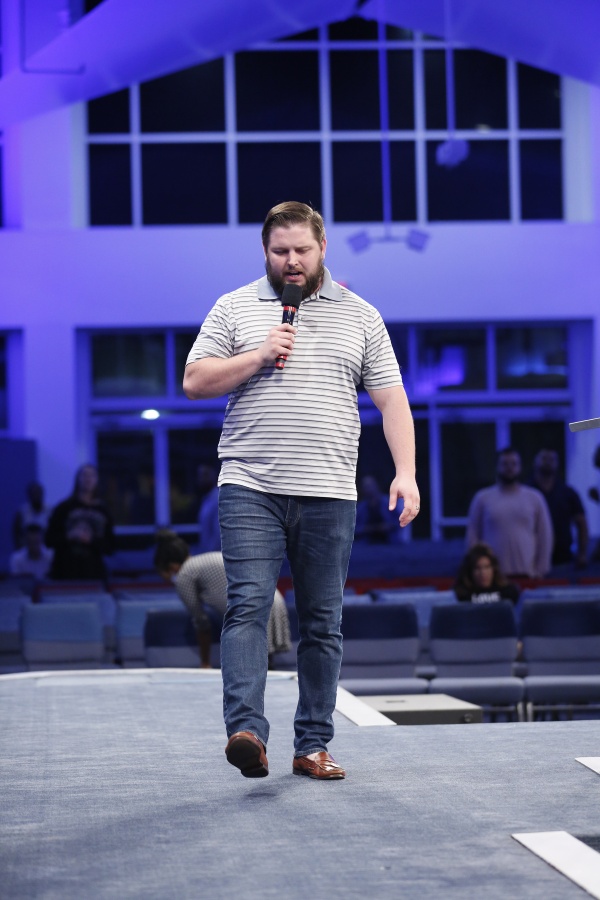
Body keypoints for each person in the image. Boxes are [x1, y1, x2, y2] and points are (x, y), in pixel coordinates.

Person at [183, 201, 420, 780]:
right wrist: (259, 354)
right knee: (247, 605)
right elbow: (194, 381)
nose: (291, 261)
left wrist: (406, 472)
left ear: (322, 249)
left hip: (329, 489)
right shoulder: (234, 307)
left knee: (322, 621)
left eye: (302, 250)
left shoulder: (361, 315)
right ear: (265, 251)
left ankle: (312, 745)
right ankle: (246, 733)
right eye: (280, 251)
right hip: (250, 485)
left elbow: (392, 400)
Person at [154, 530, 291, 668]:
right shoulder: (205, 559)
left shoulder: (184, 575)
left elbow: (201, 622)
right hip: (274, 598)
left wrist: (205, 664)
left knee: (252, 669)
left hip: (253, 607)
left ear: (170, 567)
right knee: (263, 666)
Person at [466, 447, 553, 580]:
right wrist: (476, 569)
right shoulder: (482, 498)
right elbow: (472, 536)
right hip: (492, 577)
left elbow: (545, 536)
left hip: (528, 573)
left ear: (520, 467)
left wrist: (541, 569)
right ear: (497, 466)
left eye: (513, 464)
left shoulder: (534, 498)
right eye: (505, 464)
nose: (509, 468)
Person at [45, 464, 114, 581]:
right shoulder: (63, 508)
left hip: (94, 573)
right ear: (78, 479)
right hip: (65, 572)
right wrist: (70, 536)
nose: (88, 479)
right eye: (85, 475)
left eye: (92, 476)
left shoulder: (103, 510)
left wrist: (91, 540)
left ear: (97, 480)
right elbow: (48, 540)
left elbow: (111, 546)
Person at [530, 448, 588, 568]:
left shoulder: (568, 493)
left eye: (552, 459)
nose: (548, 462)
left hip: (563, 557)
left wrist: (582, 553)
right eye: (544, 458)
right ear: (535, 462)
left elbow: (581, 523)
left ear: (558, 463)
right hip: (531, 558)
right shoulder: (526, 492)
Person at [454, 542, 520, 605]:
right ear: (470, 571)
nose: (483, 573)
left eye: (487, 567)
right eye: (477, 568)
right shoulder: (460, 595)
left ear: (494, 569)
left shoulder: (508, 592)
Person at [354, 474, 399, 544]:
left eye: (370, 485)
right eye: (365, 486)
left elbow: (398, 522)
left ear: (376, 485)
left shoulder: (388, 503)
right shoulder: (360, 507)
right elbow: (355, 529)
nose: (368, 489)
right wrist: (370, 529)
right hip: (366, 543)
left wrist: (387, 526)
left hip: (389, 542)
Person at [12, 481, 50, 549]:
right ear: (29, 495)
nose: (36, 496)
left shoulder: (50, 511)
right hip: (26, 550)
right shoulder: (22, 512)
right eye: (34, 494)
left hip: (46, 550)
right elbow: (16, 534)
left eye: (38, 493)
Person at [196, 464, 221, 553]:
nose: (201, 479)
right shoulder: (206, 499)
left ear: (213, 476)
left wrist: (210, 554)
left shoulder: (217, 499)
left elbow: (218, 533)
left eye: (205, 475)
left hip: (215, 554)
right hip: (206, 552)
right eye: (200, 476)